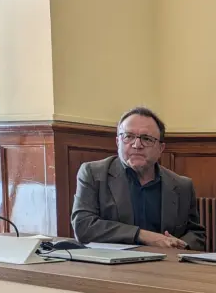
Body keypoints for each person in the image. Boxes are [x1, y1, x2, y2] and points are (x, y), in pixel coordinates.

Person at [71, 107, 205, 250]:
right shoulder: (93, 174)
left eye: (146, 139)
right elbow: (83, 226)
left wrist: (180, 245)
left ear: (161, 148)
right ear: (118, 142)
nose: (137, 145)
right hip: (111, 268)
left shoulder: (182, 185)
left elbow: (196, 235)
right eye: (128, 136)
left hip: (166, 266)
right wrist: (142, 235)